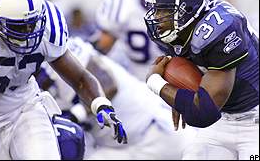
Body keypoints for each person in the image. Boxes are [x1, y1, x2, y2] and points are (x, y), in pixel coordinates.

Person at [0, 0, 127, 160]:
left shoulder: (47, 28)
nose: (28, 33)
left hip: (23, 108)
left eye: (32, 24)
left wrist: (101, 105)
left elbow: (80, 78)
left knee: (64, 143)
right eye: (19, 27)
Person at [144, 0, 259, 160]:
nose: (157, 17)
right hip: (222, 120)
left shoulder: (221, 29)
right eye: (155, 9)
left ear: (186, 8)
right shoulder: (177, 29)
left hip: (254, 120)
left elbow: (203, 113)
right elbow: (185, 64)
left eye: (164, 10)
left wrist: (155, 82)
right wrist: (180, 97)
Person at [36, 36, 197, 160]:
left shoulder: (59, 49)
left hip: (154, 132)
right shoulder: (20, 81)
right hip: (116, 149)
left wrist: (75, 115)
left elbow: (107, 85)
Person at [93, 0, 174, 81]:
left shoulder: (183, 5)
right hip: (137, 81)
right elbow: (103, 46)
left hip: (174, 77)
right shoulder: (121, 2)